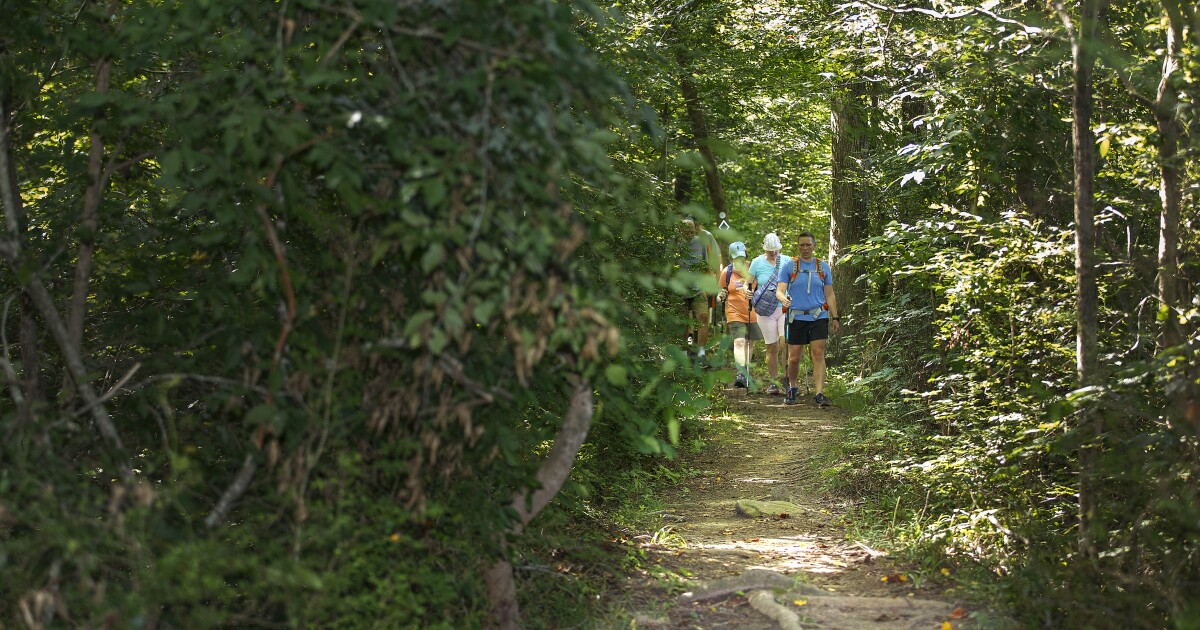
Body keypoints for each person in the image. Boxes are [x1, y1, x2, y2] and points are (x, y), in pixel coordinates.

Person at [775, 231, 840, 406]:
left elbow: (830, 294)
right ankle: (793, 387)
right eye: (802, 245)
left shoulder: (823, 267)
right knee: (794, 357)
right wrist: (783, 299)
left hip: (818, 316)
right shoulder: (790, 266)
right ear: (798, 247)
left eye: (808, 245)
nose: (805, 248)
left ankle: (819, 393)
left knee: (818, 353)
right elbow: (779, 290)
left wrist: (835, 316)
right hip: (796, 316)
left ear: (814, 246)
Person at [718, 241, 763, 389]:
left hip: (752, 310)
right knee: (739, 342)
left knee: (750, 342)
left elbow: (761, 287)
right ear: (732, 257)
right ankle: (741, 373)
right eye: (736, 257)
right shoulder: (727, 272)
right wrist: (721, 295)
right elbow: (719, 294)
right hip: (733, 311)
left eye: (742, 257)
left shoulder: (753, 268)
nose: (740, 260)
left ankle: (746, 372)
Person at [748, 233, 787, 395]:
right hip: (765, 312)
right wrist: (747, 292)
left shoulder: (787, 261)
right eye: (770, 251)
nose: (773, 253)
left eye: (776, 250)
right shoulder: (757, 263)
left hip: (784, 307)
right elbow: (747, 284)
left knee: (786, 344)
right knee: (772, 347)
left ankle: (787, 380)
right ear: (765, 249)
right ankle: (774, 381)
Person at [681, 218, 721, 364]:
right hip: (680, 288)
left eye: (691, 230)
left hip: (698, 289)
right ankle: (683, 353)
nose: (689, 233)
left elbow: (709, 264)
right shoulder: (675, 242)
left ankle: (701, 353)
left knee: (703, 317)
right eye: (686, 230)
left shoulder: (702, 240)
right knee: (682, 322)